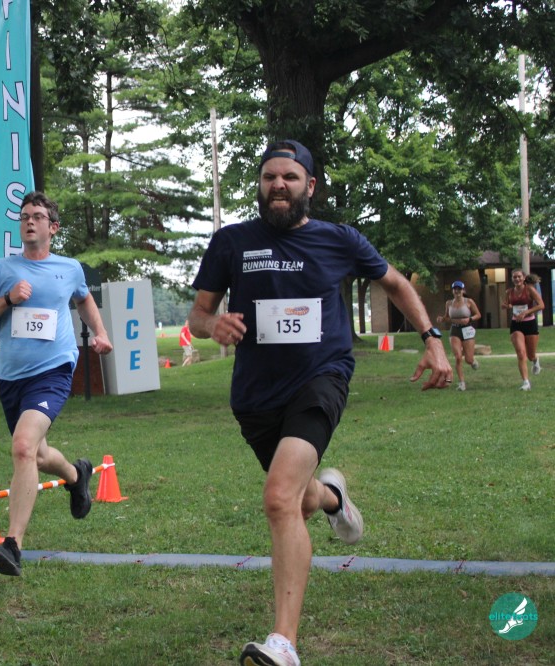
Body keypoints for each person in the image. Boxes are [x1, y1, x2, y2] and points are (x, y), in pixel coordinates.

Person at [187, 140, 451, 666]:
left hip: (320, 379)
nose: (278, 185)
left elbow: (395, 283)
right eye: (269, 177)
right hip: (256, 395)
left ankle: (283, 644)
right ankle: (332, 498)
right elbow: (198, 314)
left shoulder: (339, 239)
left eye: (289, 177)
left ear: (309, 185)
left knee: (278, 498)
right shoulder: (232, 242)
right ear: (260, 185)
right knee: (299, 499)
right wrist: (212, 325)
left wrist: (432, 338)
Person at [0, 191, 113, 577]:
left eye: (37, 216)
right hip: (12, 377)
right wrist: (8, 300)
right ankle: (77, 475)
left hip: (53, 370)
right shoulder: (1, 269)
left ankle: (12, 545)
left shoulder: (69, 268)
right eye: (24, 216)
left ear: (53, 227)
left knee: (22, 447)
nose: (29, 221)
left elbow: (84, 300)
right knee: (39, 454)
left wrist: (100, 333)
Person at [501, 269, 545, 390]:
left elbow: (541, 305)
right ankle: (526, 382)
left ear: (524, 277)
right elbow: (506, 304)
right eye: (514, 277)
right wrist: (506, 306)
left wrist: (526, 312)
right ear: (512, 279)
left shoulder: (529, 289)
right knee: (521, 353)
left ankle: (535, 360)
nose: (517, 279)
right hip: (516, 324)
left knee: (530, 355)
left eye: (519, 277)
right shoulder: (509, 292)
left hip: (530, 323)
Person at [435, 280, 481, 391]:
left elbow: (478, 315)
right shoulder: (449, 303)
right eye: (455, 289)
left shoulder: (469, 302)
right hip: (455, 330)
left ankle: (472, 361)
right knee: (458, 357)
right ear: (452, 291)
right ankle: (461, 383)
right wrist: (442, 319)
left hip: (467, 329)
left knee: (468, 359)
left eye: (459, 289)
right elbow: (447, 317)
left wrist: (469, 319)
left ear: (463, 290)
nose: (457, 291)